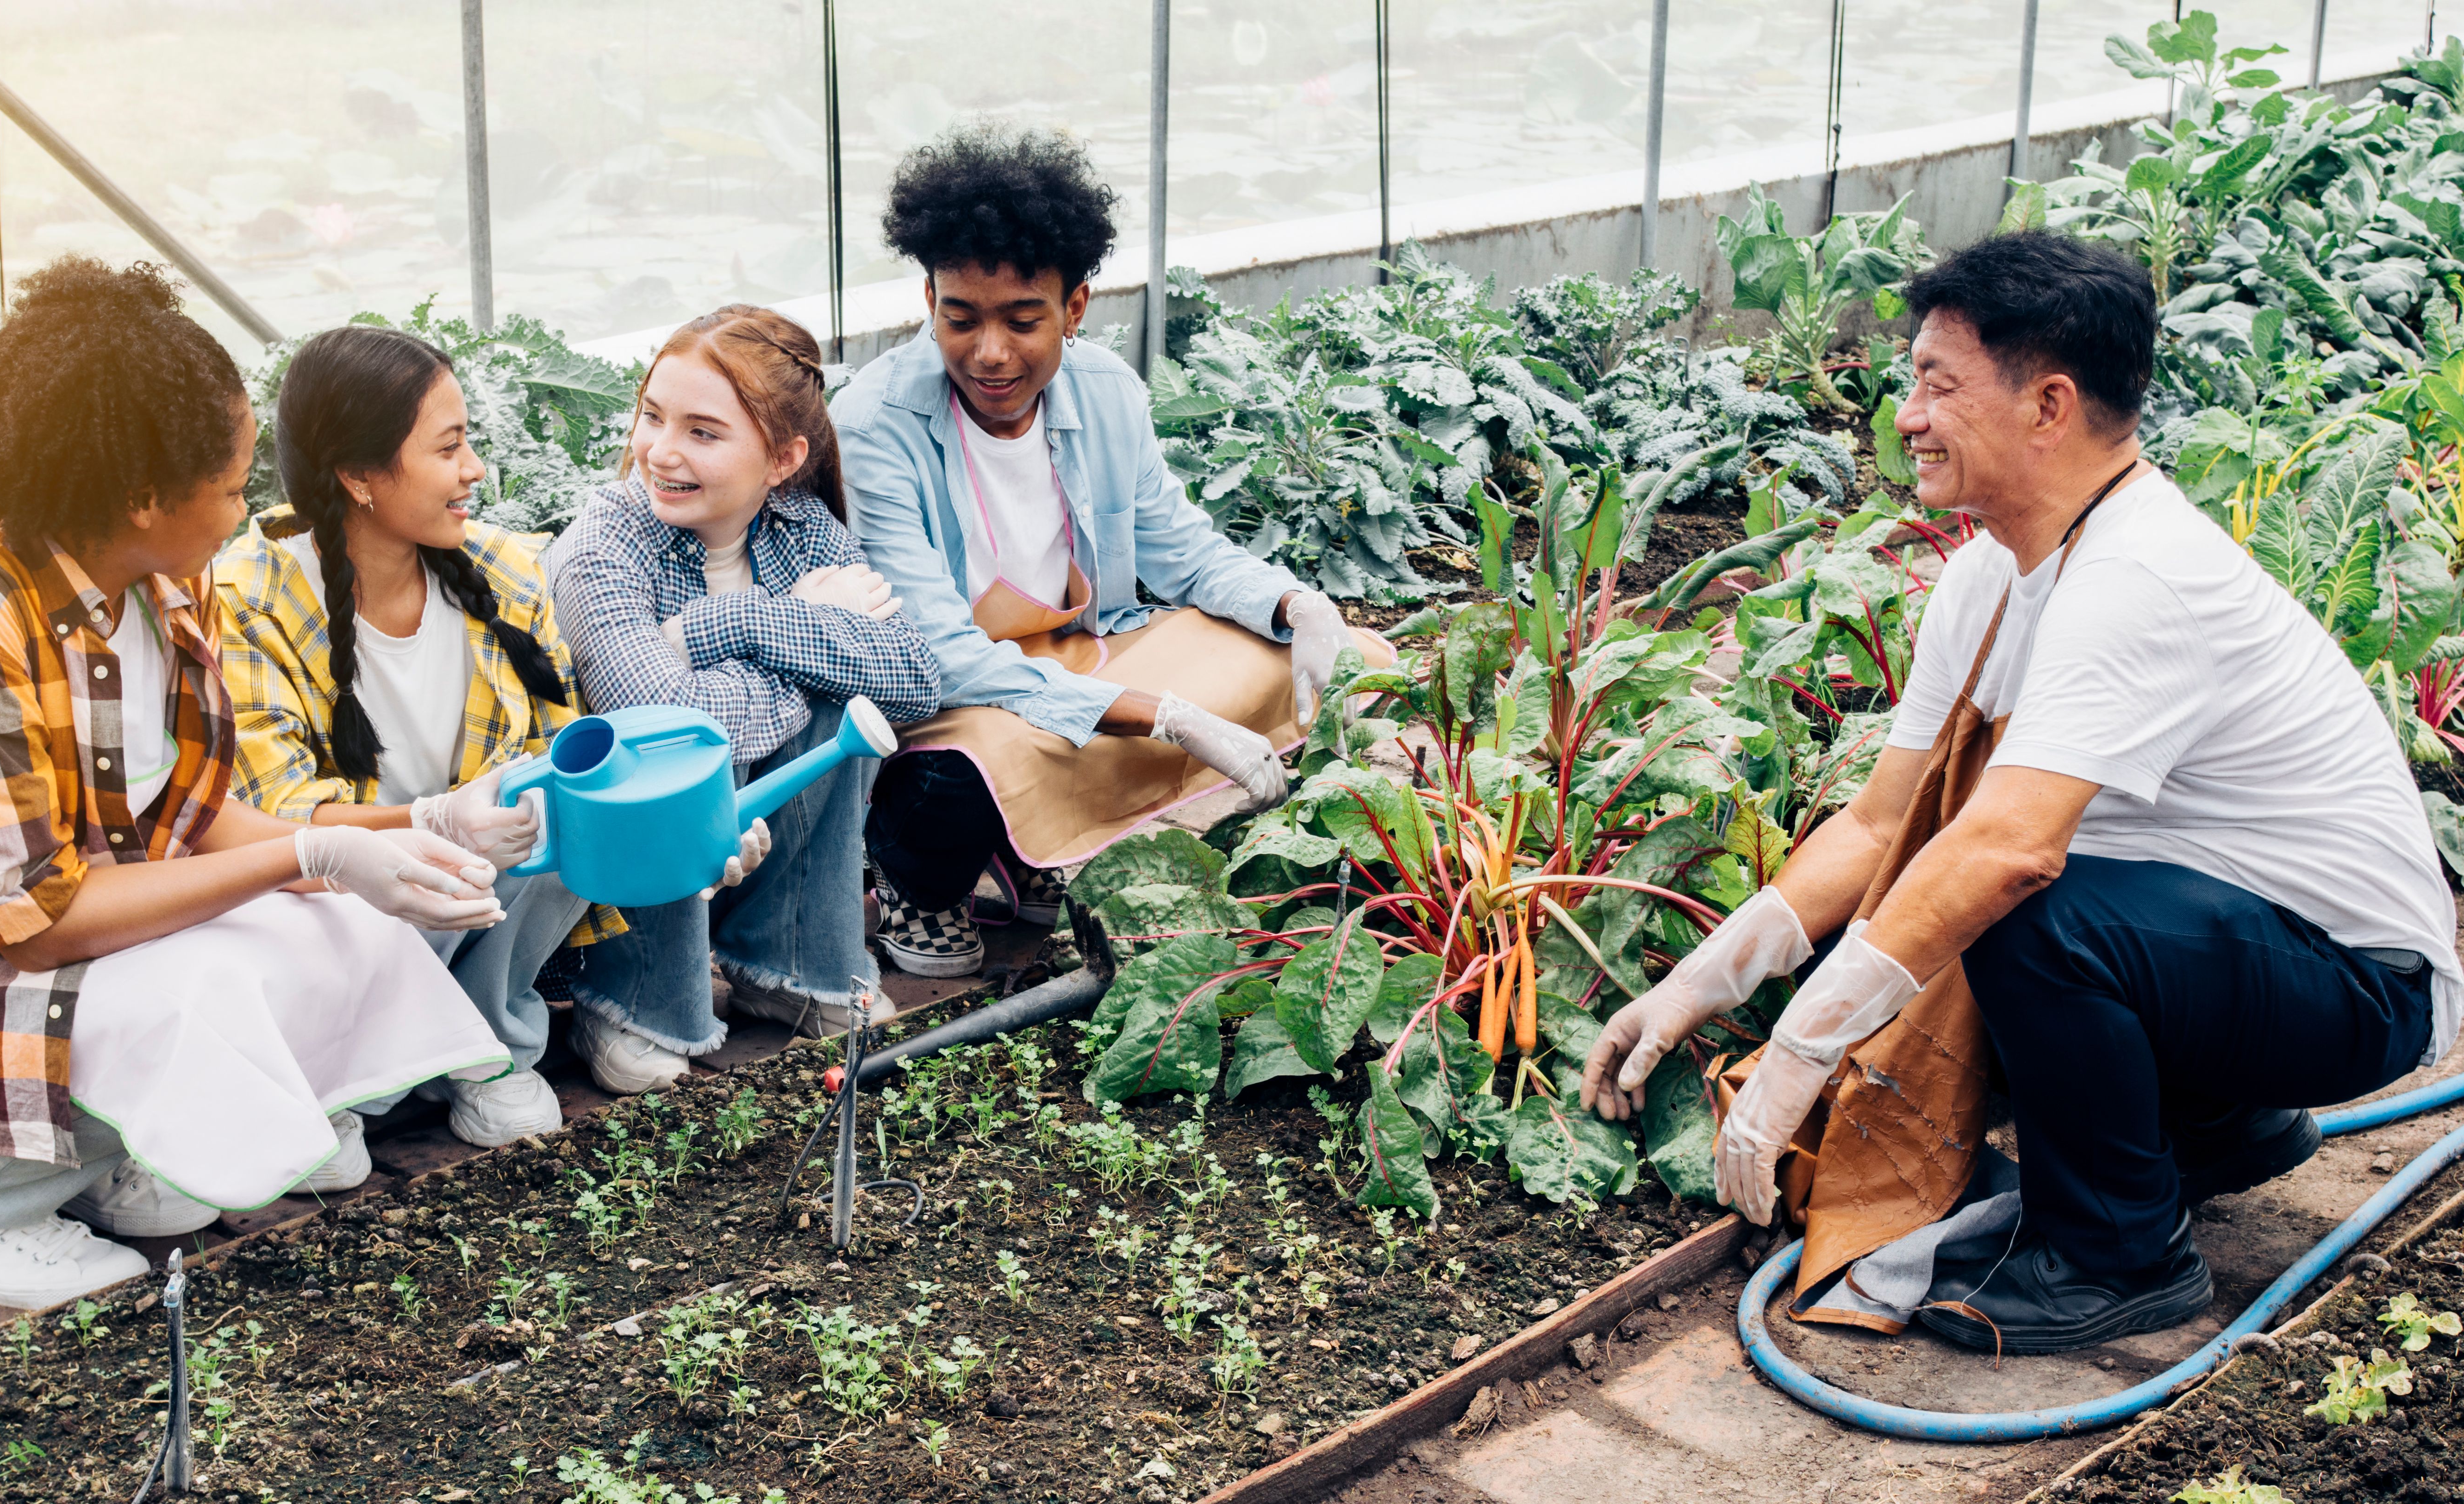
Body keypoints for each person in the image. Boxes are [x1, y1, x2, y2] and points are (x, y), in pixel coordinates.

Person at [1581, 231, 2460, 1354]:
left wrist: (1800, 1053)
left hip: (2359, 993)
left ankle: (2118, 1256)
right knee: (1996, 899)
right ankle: (2216, 1130)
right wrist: (1699, 986)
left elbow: (2003, 848)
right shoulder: (1990, 573)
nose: (1905, 414)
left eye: (1936, 383)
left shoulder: (2133, 576)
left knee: (2024, 910)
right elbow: (1882, 822)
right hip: (2238, 952)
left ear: (2047, 405)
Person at [0, 259, 515, 1310]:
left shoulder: (159, 585)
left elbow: (187, 812)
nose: (246, 505)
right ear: (140, 497)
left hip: (38, 934)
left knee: (339, 930)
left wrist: (413, 830)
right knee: (194, 988)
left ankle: (93, 1154)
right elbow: (33, 920)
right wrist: (305, 855)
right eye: (228, 486)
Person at [833, 125, 1382, 978]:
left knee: (1283, 659)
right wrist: (1167, 715)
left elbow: (1185, 555)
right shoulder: (876, 425)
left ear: (1076, 307)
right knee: (955, 783)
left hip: (1080, 658)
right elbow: (936, 655)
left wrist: (1295, 607)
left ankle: (1027, 846)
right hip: (953, 694)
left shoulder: (1106, 392)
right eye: (960, 318)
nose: (990, 353)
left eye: (1023, 320)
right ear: (928, 298)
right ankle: (920, 883)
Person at [216, 326, 759, 1183]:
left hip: (476, 905)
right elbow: (279, 818)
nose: (475, 470)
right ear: (359, 477)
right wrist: (434, 823)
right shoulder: (249, 597)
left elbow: (570, 759)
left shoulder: (503, 569)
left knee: (550, 821)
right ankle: (340, 1078)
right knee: (322, 882)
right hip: (348, 897)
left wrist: (693, 833)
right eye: (449, 447)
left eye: (470, 440)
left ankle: (486, 1047)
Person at [551, 305, 938, 1039]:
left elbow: (917, 678)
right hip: (617, 870)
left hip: (747, 836)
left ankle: (785, 965)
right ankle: (630, 1000)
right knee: (748, 724)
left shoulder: (799, 525)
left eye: (702, 432)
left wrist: (737, 621)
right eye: (653, 417)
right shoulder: (601, 547)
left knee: (845, 688)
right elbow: (665, 725)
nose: (660, 452)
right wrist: (813, 635)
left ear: (784, 460)